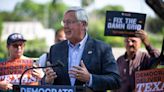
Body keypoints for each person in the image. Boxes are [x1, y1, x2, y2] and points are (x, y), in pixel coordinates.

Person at [43, 7, 121, 91]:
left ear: (83, 24)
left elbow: (115, 81)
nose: (65, 26)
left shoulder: (102, 49)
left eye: (69, 22)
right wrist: (48, 80)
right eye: (64, 22)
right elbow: (44, 81)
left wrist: (90, 78)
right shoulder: (55, 49)